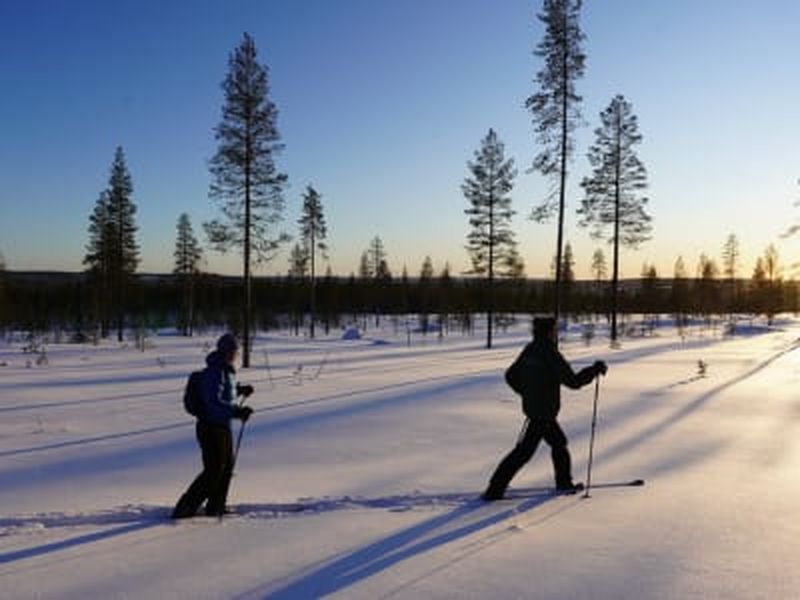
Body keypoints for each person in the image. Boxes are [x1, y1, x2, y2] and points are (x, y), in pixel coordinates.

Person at [482, 317, 607, 500]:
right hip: (543, 412)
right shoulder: (549, 352)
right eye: (555, 329)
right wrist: (594, 370)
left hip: (536, 410)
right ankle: (495, 490)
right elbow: (572, 382)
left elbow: (510, 376)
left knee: (556, 443)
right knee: (526, 452)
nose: (557, 332)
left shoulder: (530, 349)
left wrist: (528, 393)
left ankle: (561, 483)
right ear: (549, 331)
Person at [172, 333, 254, 518]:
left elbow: (225, 394)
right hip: (210, 427)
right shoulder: (215, 371)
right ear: (226, 351)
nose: (236, 354)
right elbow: (213, 403)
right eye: (233, 350)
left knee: (226, 468)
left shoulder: (226, 370)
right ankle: (185, 507)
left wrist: (240, 390)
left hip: (221, 426)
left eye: (236, 351)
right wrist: (237, 412)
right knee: (214, 470)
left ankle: (216, 506)